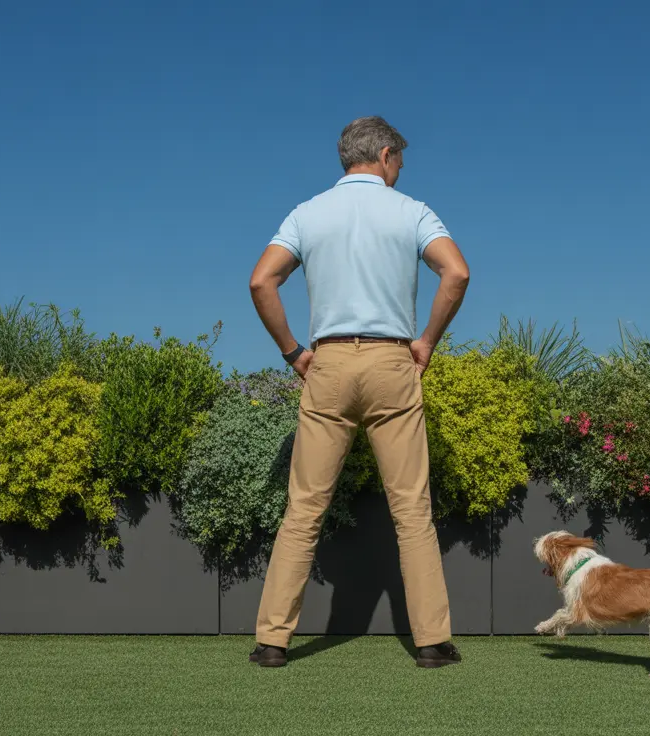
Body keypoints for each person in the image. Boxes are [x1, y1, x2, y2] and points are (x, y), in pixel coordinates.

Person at [246, 116, 471, 668]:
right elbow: (457, 274)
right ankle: (432, 645)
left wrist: (294, 353)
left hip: (328, 363)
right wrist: (426, 343)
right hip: (393, 360)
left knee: (304, 508)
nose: (400, 171)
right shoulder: (413, 211)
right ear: (387, 154)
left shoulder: (307, 213)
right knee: (412, 510)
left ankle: (272, 642)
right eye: (400, 162)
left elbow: (261, 281)